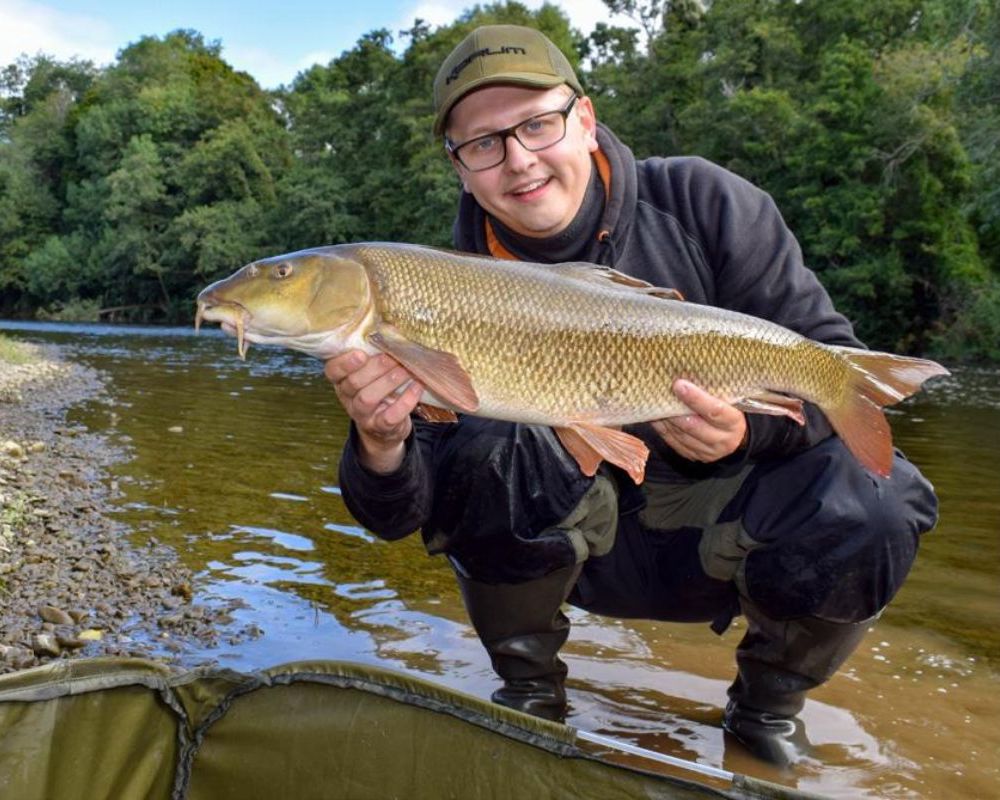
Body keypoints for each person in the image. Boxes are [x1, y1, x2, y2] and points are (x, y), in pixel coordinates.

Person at [324, 24, 939, 767]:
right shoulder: (438, 285)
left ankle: (764, 715)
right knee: (488, 442)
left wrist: (744, 437)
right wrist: (380, 443)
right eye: (483, 144)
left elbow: (822, 368)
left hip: (717, 544)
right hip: (574, 556)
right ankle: (531, 697)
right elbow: (395, 517)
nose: (518, 159)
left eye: (537, 124)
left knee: (880, 499)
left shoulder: (706, 203)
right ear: (459, 168)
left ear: (584, 120)